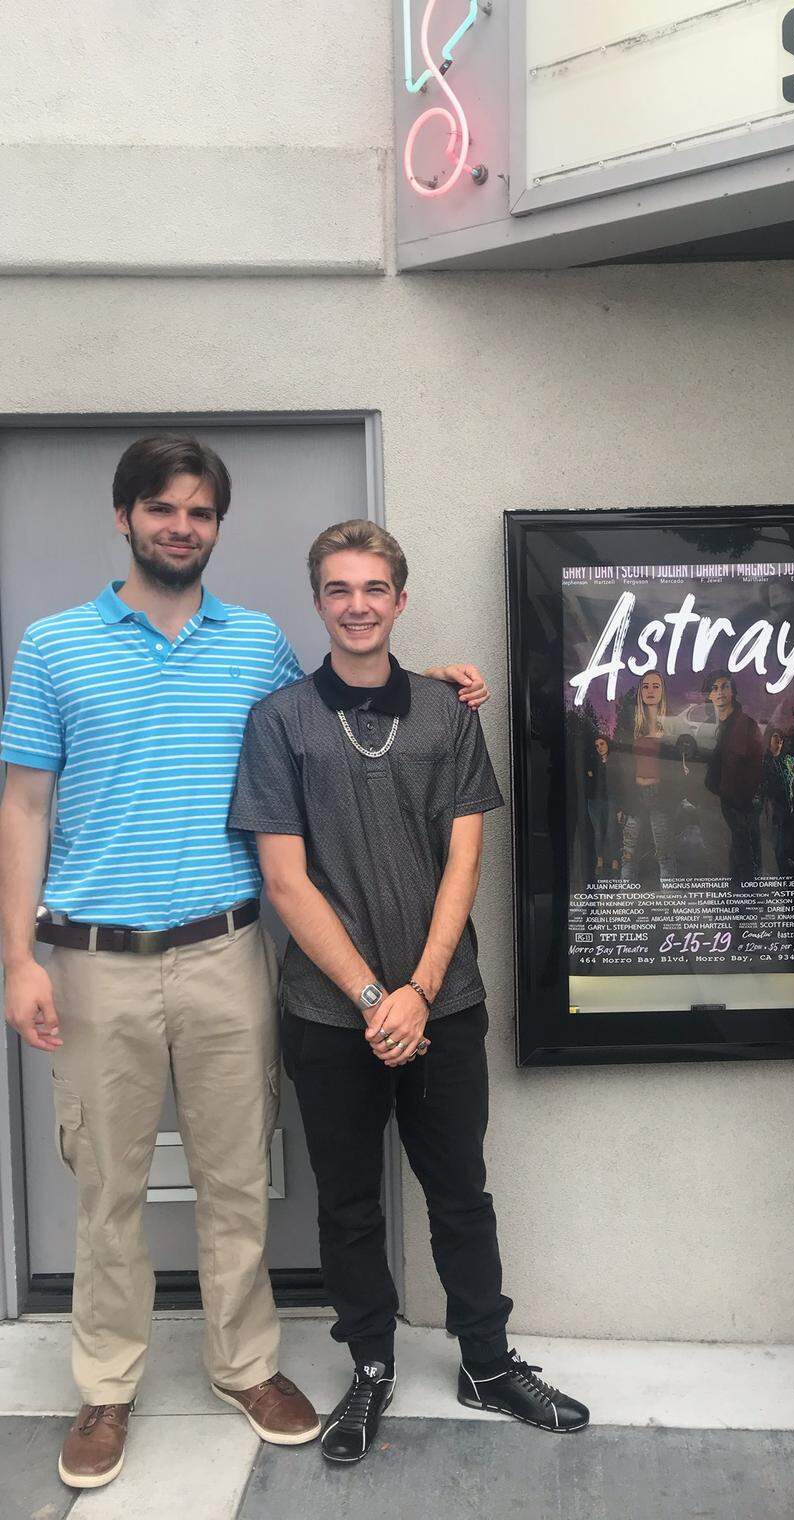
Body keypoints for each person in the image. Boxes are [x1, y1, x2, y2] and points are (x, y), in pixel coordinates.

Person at [0, 435, 487, 1491]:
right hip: (94, 957)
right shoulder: (52, 646)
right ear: (123, 516)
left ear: (218, 525)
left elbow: (342, 691)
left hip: (226, 947)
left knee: (234, 1175)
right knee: (108, 1185)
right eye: (163, 509)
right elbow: (23, 804)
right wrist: (17, 956)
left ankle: (245, 1364)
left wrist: (437, 679)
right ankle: (108, 1383)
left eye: (201, 512)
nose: (182, 526)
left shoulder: (254, 641)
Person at [228, 519, 589, 1465]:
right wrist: (368, 997)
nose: (357, 605)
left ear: (399, 598)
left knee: (460, 1193)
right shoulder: (279, 722)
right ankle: (373, 1369)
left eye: (374, 588)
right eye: (339, 589)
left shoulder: (446, 712)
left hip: (446, 1004)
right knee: (347, 1203)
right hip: (326, 1015)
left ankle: (485, 1361)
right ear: (319, 601)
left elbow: (468, 859)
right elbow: (285, 880)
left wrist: (419, 993)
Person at [703, 670, 764, 884]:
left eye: (725, 686)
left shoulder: (746, 724)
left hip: (739, 803)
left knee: (742, 853)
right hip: (722, 801)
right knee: (733, 853)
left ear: (733, 692)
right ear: (709, 695)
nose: (719, 692)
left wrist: (740, 798)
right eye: (714, 688)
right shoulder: (713, 726)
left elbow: (756, 765)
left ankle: (745, 901)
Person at [621, 671, 674, 888]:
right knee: (628, 851)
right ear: (640, 692)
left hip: (660, 794)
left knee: (664, 851)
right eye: (645, 686)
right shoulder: (631, 723)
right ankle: (625, 897)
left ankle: (671, 901)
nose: (650, 691)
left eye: (656, 686)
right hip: (636, 794)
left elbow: (676, 767)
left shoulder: (671, 725)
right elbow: (622, 766)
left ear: (663, 691)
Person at [762, 727, 794, 875]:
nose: (778, 740)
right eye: (775, 737)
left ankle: (787, 868)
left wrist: (793, 788)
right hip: (771, 807)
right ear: (768, 741)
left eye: (780, 738)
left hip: (787, 807)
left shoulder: (788, 760)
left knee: (786, 840)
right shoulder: (764, 761)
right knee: (776, 843)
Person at [584, 733, 622, 878]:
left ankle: (614, 861)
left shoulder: (615, 761)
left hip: (611, 800)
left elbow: (619, 784)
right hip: (594, 801)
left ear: (607, 744)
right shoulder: (593, 761)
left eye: (602, 744)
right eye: (597, 745)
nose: (600, 747)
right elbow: (589, 780)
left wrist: (620, 807)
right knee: (598, 832)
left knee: (612, 831)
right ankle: (599, 860)